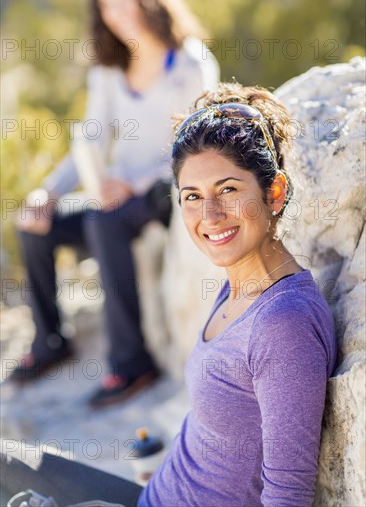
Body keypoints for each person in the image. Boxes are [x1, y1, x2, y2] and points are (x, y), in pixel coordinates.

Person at [1, 82, 337, 505]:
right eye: (192, 197)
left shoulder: (284, 323)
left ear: (275, 192)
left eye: (228, 190)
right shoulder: (238, 284)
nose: (209, 215)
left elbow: (288, 494)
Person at [10, 0, 219, 408]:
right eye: (107, 5)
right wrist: (47, 191)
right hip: (116, 196)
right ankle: (51, 342)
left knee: (104, 222)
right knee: (33, 225)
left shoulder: (188, 62)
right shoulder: (107, 70)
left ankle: (131, 363)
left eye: (125, 0)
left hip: (168, 189)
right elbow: (90, 136)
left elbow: (199, 146)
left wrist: (136, 183)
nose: (118, 12)